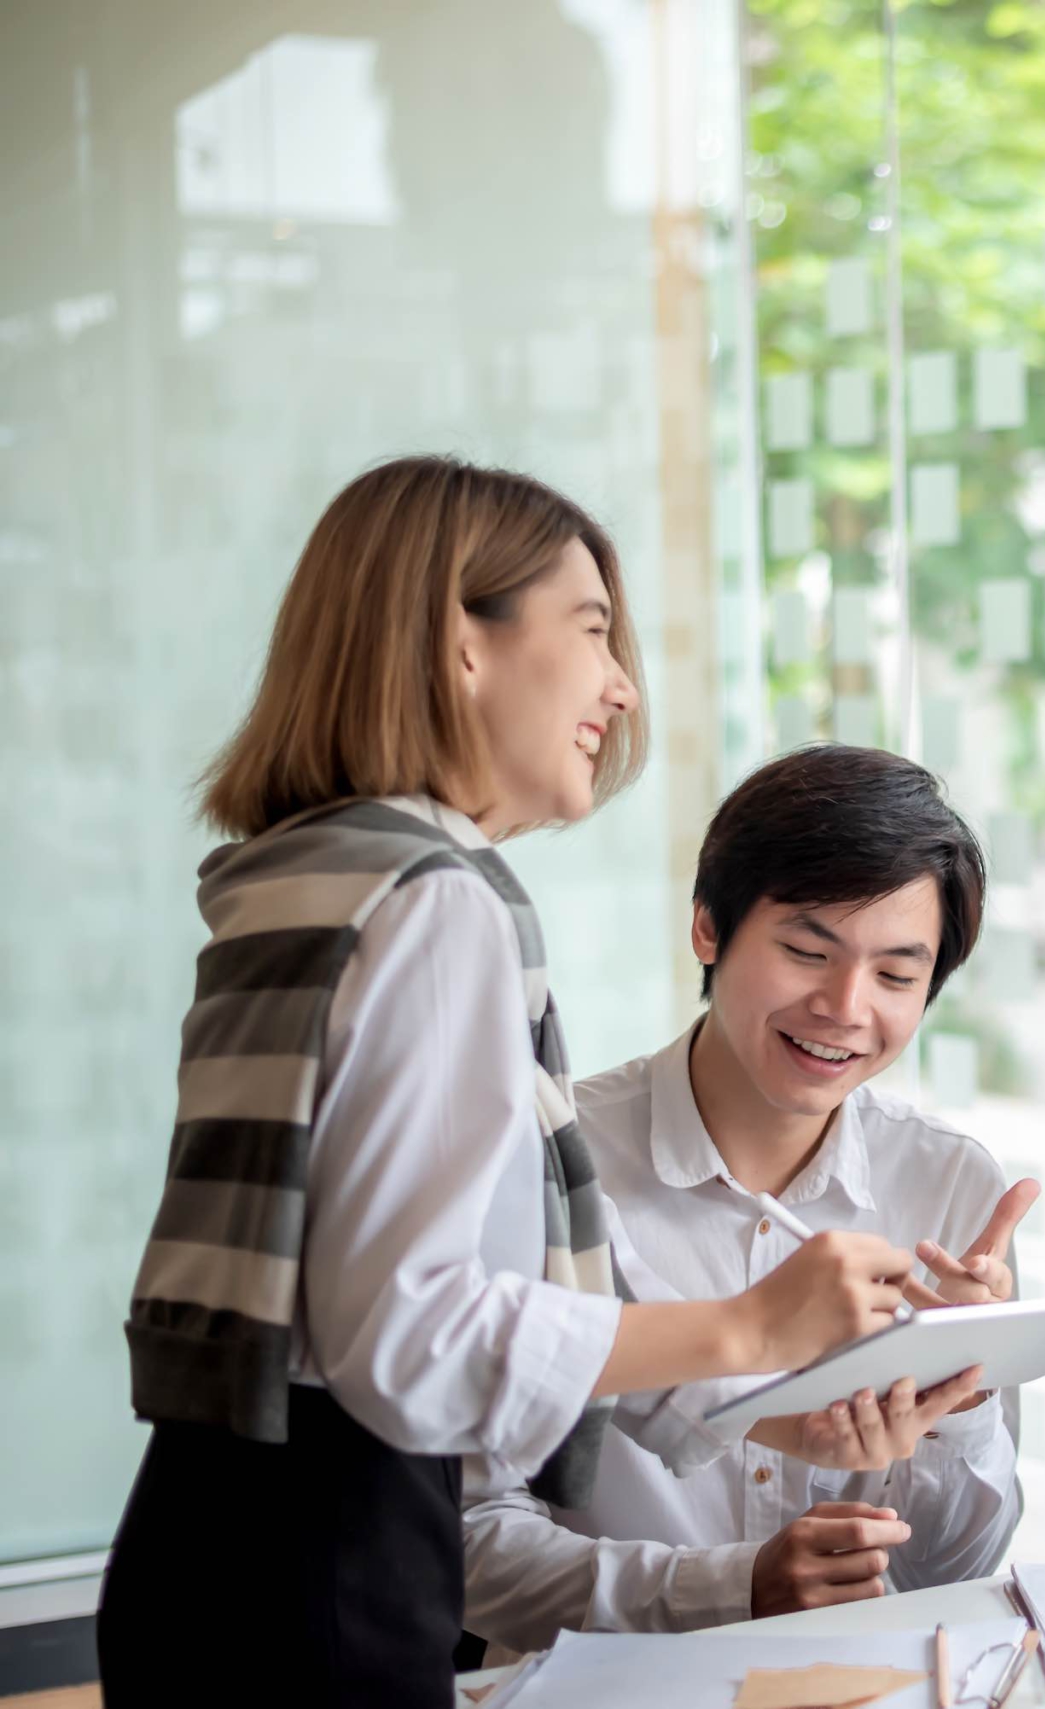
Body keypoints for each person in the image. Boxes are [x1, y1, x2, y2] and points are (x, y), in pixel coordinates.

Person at [100, 457, 931, 1705]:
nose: (622, 684)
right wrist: (748, 1324)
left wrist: (760, 1402)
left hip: (208, 1534)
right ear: (462, 640)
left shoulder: (301, 871)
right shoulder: (433, 901)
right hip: (331, 1559)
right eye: (591, 630)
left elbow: (365, 1300)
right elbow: (408, 1332)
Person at [462, 744, 1037, 1653]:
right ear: (707, 928)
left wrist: (964, 1396)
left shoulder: (950, 1184)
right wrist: (731, 1590)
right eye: (807, 949)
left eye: (895, 975)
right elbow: (472, 1544)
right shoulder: (551, 1159)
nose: (846, 1006)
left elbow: (958, 1570)